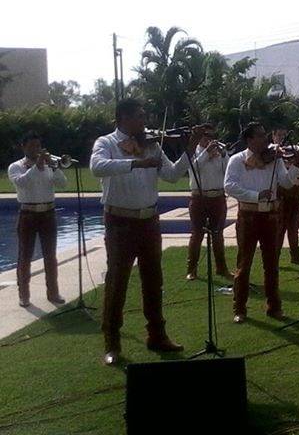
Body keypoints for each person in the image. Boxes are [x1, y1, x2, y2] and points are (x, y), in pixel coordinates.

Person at [90, 98, 200, 366]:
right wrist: (136, 164)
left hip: (149, 220)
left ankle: (157, 335)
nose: (145, 121)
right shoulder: (106, 143)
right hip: (120, 221)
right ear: (124, 118)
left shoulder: (152, 144)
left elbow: (172, 175)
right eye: (140, 116)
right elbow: (96, 167)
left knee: (154, 279)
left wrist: (188, 150)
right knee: (118, 281)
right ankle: (112, 341)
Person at [224, 122, 299, 323]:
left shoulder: (275, 159)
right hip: (248, 216)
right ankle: (239, 308)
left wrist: (295, 165)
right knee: (244, 264)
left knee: (271, 264)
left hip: (272, 217)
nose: (265, 139)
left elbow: (286, 182)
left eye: (265, 135)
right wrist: (256, 195)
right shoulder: (237, 160)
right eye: (260, 136)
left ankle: (274, 307)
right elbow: (229, 186)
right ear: (250, 140)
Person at [8, 132, 67, 307]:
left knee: (51, 255)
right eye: (32, 146)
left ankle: (53, 293)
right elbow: (21, 183)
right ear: (23, 147)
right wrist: (37, 167)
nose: (36, 149)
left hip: (48, 213)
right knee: (25, 255)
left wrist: (54, 167)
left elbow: (63, 183)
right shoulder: (16, 166)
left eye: (38, 146)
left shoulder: (50, 165)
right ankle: (24, 295)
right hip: (28, 214)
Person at [185, 129, 231, 281]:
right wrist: (206, 153)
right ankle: (192, 269)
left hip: (217, 197)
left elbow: (228, 171)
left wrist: (224, 155)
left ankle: (221, 268)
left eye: (211, 137)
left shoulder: (219, 154)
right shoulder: (193, 152)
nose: (209, 140)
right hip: (199, 198)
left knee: (218, 234)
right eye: (205, 137)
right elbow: (194, 169)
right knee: (197, 234)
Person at [270, 127, 299, 266]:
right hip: (281, 195)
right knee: (279, 228)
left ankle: (295, 256)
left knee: (294, 228)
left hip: (296, 194)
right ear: (273, 135)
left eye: (284, 135)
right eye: (279, 135)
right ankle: (274, 258)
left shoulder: (292, 149)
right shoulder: (272, 151)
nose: (282, 138)